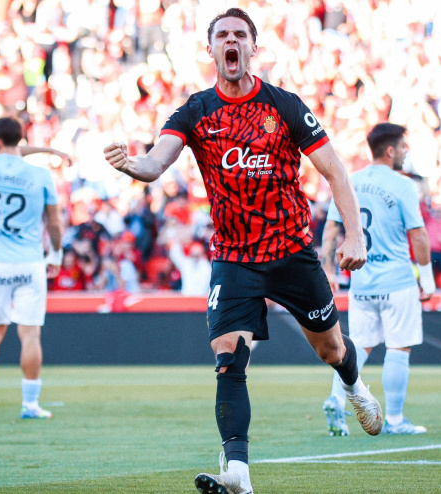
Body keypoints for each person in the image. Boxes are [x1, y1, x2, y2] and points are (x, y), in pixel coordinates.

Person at [103, 9, 379, 494]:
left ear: (254, 48)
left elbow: (335, 170)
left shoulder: (285, 106)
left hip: (293, 251)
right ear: (210, 50)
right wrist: (131, 165)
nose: (231, 42)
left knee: (331, 349)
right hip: (234, 257)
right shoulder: (195, 110)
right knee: (229, 357)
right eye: (222, 36)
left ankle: (354, 386)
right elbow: (155, 165)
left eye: (239, 35)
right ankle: (240, 474)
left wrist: (354, 235)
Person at [321, 123, 435, 437]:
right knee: (399, 348)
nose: (405, 152)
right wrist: (427, 279)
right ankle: (395, 420)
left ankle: (335, 399)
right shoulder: (403, 185)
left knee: (356, 346)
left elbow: (331, 230)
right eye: (403, 147)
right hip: (397, 280)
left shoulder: (350, 181)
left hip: (362, 282)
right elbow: (419, 235)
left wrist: (330, 270)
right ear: (390, 150)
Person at [0, 116, 67, 420]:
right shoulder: (41, 175)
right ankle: (29, 404)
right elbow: (54, 223)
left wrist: (39, 149)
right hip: (29, 262)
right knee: (30, 335)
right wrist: (57, 255)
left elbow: (9, 151)